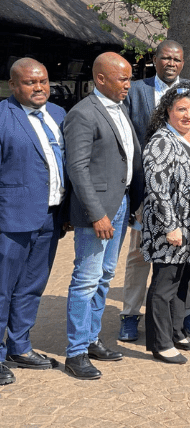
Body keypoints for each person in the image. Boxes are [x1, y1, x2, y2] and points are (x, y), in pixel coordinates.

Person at [120, 40, 190, 343]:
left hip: (186, 194)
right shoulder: (136, 91)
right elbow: (130, 140)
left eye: (177, 58)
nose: (171, 62)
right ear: (156, 59)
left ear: (183, 62)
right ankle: (131, 315)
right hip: (145, 188)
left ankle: (185, 313)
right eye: (166, 58)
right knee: (139, 254)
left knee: (184, 256)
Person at [63, 52, 143, 380]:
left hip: (121, 205)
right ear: (100, 79)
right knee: (86, 278)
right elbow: (77, 167)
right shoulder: (83, 113)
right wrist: (97, 214)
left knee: (106, 276)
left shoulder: (120, 108)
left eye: (129, 78)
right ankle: (75, 352)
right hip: (98, 211)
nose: (128, 84)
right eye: (122, 79)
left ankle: (91, 339)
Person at [0, 58, 67, 385]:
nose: (39, 88)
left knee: (31, 286)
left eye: (43, 81)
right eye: (30, 83)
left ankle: (20, 347)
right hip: (10, 220)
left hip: (50, 217)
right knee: (1, 289)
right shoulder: (2, 118)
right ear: (13, 86)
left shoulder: (58, 115)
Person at [139, 83, 190, 365]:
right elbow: (156, 188)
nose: (188, 115)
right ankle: (160, 344)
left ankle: (176, 331)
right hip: (171, 227)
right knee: (163, 284)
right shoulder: (162, 141)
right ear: (168, 110)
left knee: (182, 281)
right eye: (181, 109)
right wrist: (171, 225)